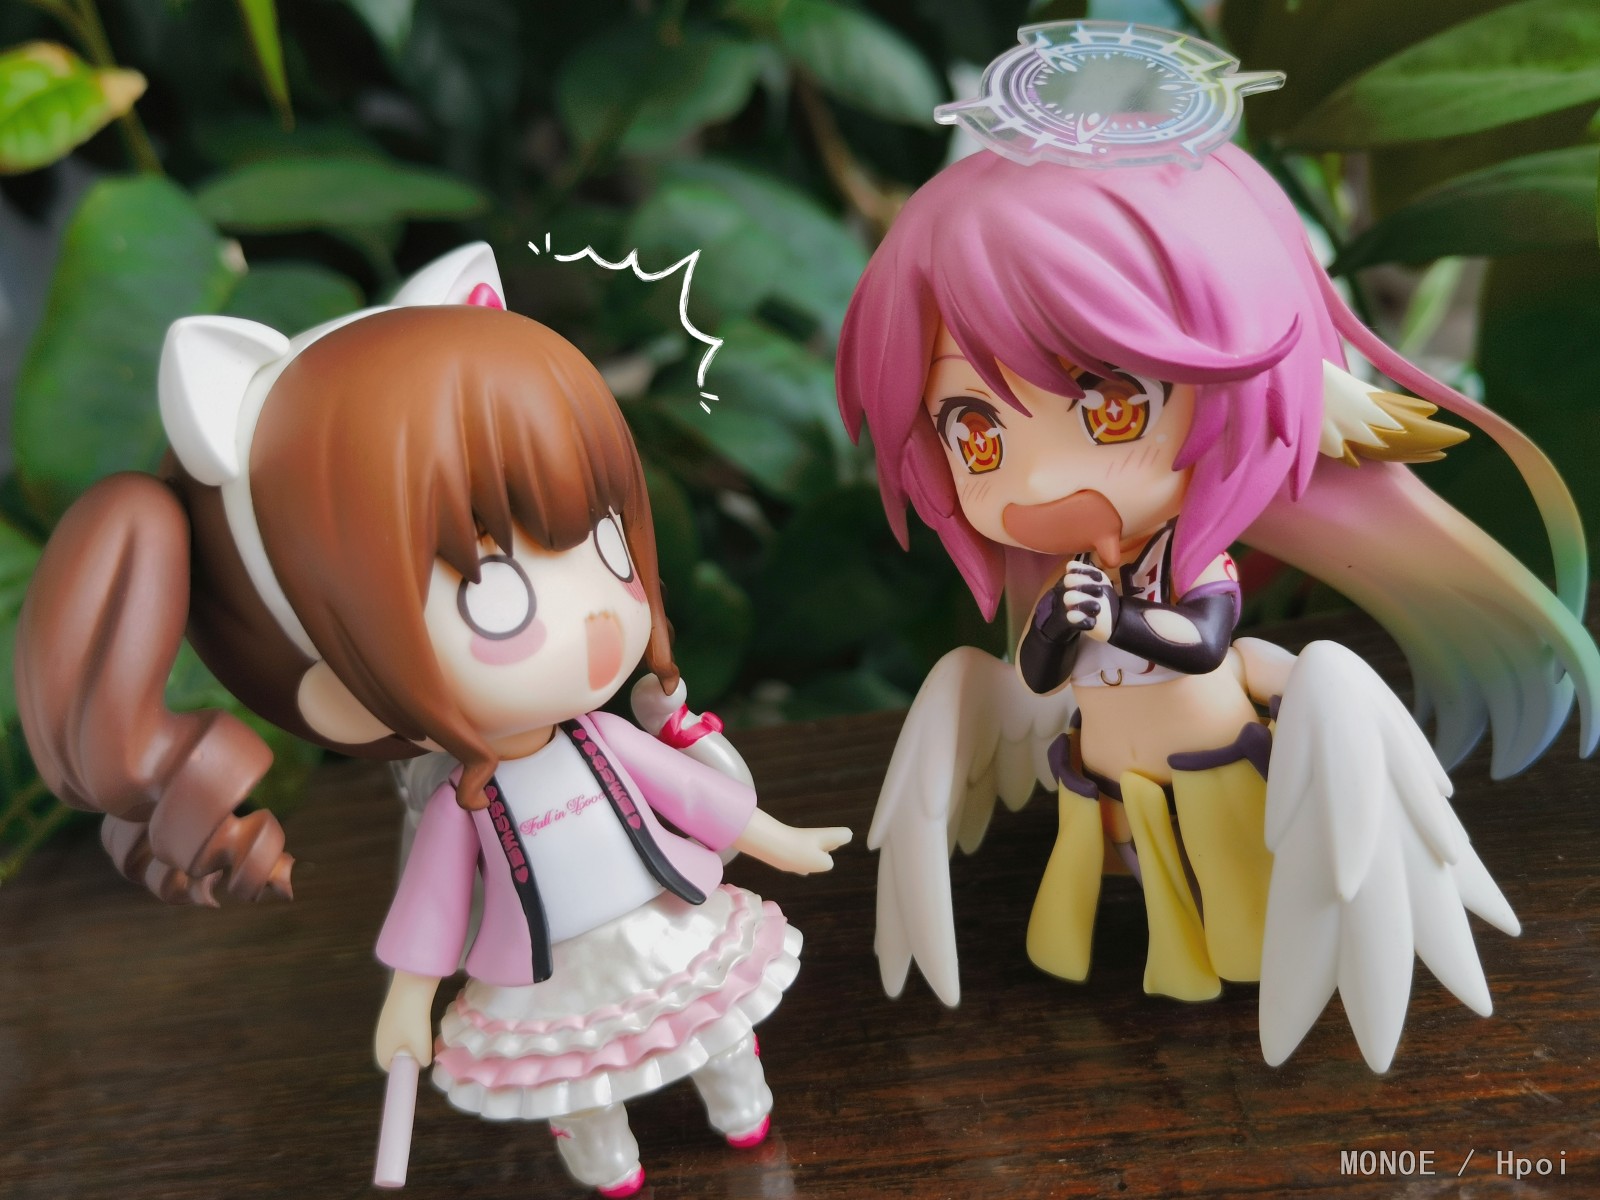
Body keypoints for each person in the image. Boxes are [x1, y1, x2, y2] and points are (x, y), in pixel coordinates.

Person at [836, 21, 1597, 1073]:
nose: (1033, 482)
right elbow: (1043, 675)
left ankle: (1265, 956)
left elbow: (1201, 643)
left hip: (1218, 773)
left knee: (1231, 889)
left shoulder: (1186, 570)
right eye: (972, 430)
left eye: (1108, 409)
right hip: (1112, 791)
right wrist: (1060, 630)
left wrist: (1119, 618)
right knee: (1145, 894)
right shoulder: (1074, 578)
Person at [16, 244, 849, 1194]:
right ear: (335, 687)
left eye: (603, 542)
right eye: (494, 594)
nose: (593, 618)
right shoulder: (464, 801)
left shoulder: (604, 740)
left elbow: (696, 799)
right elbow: (434, 907)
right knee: (576, 1087)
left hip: (664, 926)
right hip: (544, 975)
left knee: (720, 1031)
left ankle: (739, 1109)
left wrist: (779, 839)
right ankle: (610, 1160)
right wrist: (408, 1002)